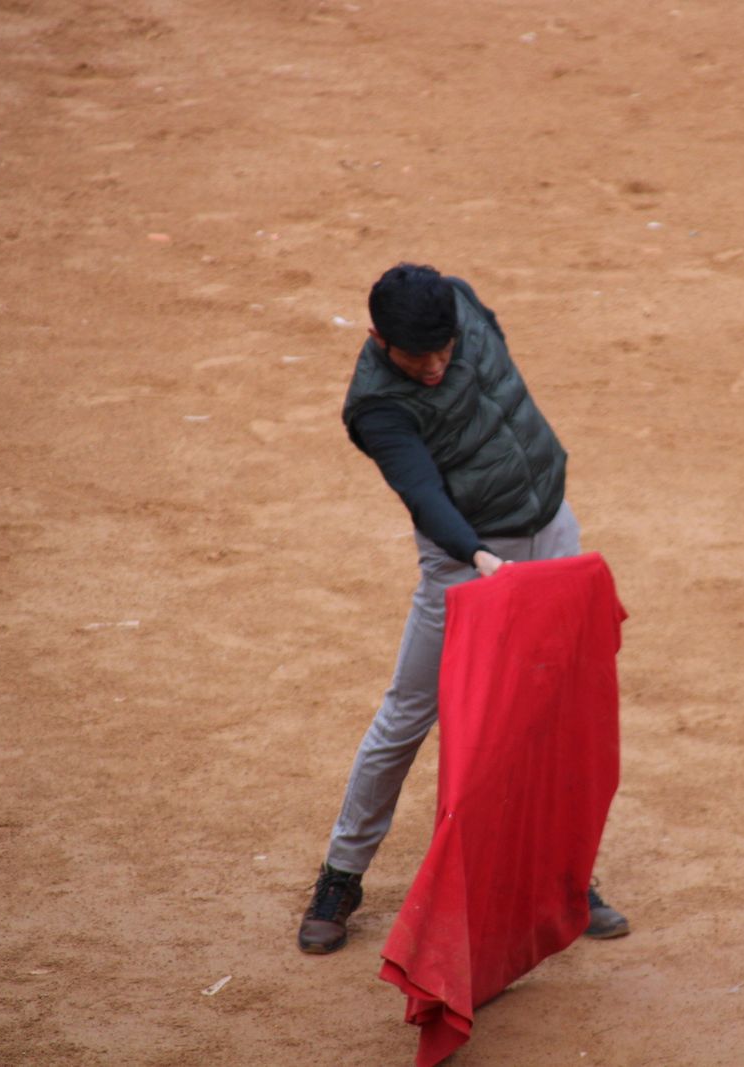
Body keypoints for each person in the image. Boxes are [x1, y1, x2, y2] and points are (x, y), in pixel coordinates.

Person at [299, 262, 629, 954]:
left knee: (554, 711)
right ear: (378, 339)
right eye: (416, 358)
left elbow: (494, 350)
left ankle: (567, 880)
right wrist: (478, 558)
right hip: (466, 560)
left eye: (443, 351)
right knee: (409, 714)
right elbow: (423, 493)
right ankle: (341, 876)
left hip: (551, 528)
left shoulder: (460, 302)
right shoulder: (376, 408)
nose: (434, 367)